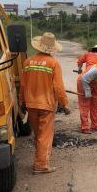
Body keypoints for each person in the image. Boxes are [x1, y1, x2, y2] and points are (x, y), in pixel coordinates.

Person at [19, 32, 70, 174]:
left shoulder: (28, 62)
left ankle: (39, 161)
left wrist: (21, 102)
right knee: (45, 136)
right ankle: (41, 165)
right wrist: (64, 104)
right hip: (46, 105)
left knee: (38, 135)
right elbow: (58, 87)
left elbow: (23, 85)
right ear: (52, 48)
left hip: (31, 104)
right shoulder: (53, 63)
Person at [76, 45, 97, 133]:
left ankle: (85, 127)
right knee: (96, 105)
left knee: (84, 105)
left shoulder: (87, 54)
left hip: (85, 78)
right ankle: (95, 125)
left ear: (93, 50)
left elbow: (79, 62)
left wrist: (79, 69)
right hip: (93, 80)